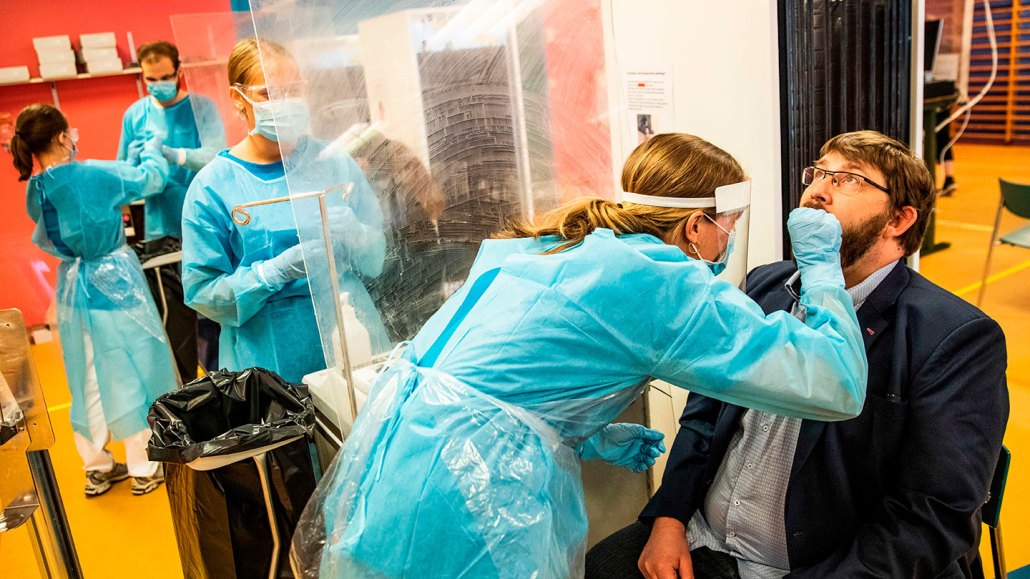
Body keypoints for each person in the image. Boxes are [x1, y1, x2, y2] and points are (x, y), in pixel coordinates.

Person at [291, 132, 870, 579]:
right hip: (474, 493)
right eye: (730, 225)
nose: (729, 241)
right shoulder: (660, 282)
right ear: (696, 225)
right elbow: (835, 382)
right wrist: (821, 265)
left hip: (396, 464)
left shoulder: (563, 245)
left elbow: (496, 370)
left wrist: (585, 431)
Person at [586, 131, 1009, 579]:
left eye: (848, 179)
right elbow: (704, 413)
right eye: (818, 172)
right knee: (598, 568)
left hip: (820, 569)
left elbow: (930, 517)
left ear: (899, 219)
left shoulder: (954, 337)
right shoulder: (766, 284)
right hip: (701, 538)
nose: (817, 190)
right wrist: (668, 520)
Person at [181, 38, 388, 384]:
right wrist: (271, 273)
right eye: (269, 94)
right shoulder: (212, 187)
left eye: (293, 91)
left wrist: (356, 233)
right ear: (238, 99)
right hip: (268, 356)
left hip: (353, 332)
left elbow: (377, 258)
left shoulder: (332, 161)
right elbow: (203, 292)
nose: (285, 103)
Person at [11, 103, 178, 496]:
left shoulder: (37, 188)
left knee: (85, 376)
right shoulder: (95, 173)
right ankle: (143, 465)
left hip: (73, 286)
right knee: (133, 367)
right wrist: (152, 145)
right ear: (61, 137)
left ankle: (97, 466)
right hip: (116, 282)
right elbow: (150, 179)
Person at [118, 41, 226, 240]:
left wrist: (176, 155)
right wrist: (131, 165)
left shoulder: (202, 107)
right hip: (160, 221)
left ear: (179, 72)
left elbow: (217, 157)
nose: (158, 84)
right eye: (151, 79)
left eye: (165, 77)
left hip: (203, 212)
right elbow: (123, 180)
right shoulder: (135, 115)